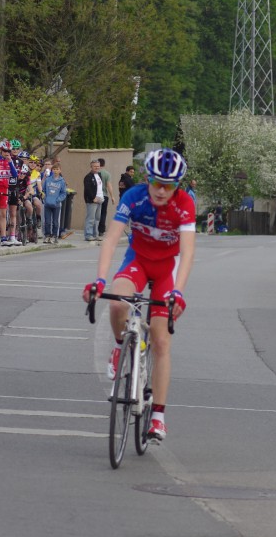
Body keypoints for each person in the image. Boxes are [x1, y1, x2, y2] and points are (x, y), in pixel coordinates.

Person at [81, 148, 195, 443]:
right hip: (138, 261)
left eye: (168, 185)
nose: (160, 190)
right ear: (148, 179)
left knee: (160, 338)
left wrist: (178, 293)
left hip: (167, 269)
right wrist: (99, 280)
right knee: (118, 301)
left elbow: (188, 251)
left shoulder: (184, 204)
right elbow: (111, 239)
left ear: (177, 185)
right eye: (156, 182)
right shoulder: (134, 197)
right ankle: (121, 345)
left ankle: (158, 414)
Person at [42, 163, 67, 243]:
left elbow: (63, 193)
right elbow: (44, 190)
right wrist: (45, 197)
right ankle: (47, 235)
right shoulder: (48, 179)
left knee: (55, 222)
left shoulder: (62, 181)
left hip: (56, 204)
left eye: (57, 169)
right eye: (54, 169)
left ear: (60, 170)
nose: (55, 171)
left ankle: (54, 236)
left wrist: (58, 200)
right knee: (47, 221)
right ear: (52, 170)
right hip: (47, 204)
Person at [83, 159, 104, 241]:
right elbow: (87, 189)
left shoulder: (99, 175)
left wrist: (101, 197)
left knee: (97, 218)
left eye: (98, 166)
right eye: (95, 166)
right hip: (92, 200)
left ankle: (95, 234)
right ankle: (88, 235)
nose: (97, 168)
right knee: (91, 218)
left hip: (100, 199)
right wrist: (93, 198)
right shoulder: (88, 177)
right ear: (91, 167)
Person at [97, 157, 113, 238]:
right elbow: (109, 186)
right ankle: (101, 230)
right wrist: (112, 196)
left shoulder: (95, 173)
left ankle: (95, 229)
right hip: (105, 195)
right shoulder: (107, 174)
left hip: (96, 196)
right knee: (103, 213)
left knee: (96, 213)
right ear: (104, 164)